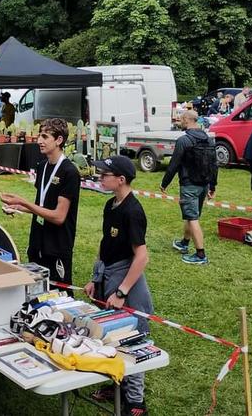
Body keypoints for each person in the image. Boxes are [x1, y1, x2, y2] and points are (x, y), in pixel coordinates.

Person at [85, 155, 153, 416]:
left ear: (121, 180)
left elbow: (142, 256)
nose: (100, 177)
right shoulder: (110, 205)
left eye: (104, 175)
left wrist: (123, 291)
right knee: (109, 334)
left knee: (133, 338)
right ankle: (115, 385)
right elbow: (105, 243)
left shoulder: (133, 211)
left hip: (126, 278)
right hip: (108, 274)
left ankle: (135, 402)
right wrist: (95, 278)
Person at [0, 118, 81, 287]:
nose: (39, 141)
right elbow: (42, 205)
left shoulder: (69, 172)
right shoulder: (42, 166)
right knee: (37, 290)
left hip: (57, 245)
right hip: (37, 242)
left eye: (45, 136)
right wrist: (17, 206)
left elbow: (59, 216)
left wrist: (24, 202)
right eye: (39, 136)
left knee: (59, 292)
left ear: (59, 140)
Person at [160, 110, 218, 265]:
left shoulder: (183, 141)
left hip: (189, 185)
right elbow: (214, 165)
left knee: (192, 218)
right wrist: (213, 186)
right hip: (204, 184)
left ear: (187, 119)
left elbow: (174, 164)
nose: (179, 121)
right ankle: (184, 243)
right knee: (191, 216)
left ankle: (200, 255)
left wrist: (164, 183)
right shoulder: (209, 139)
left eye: (181, 119)